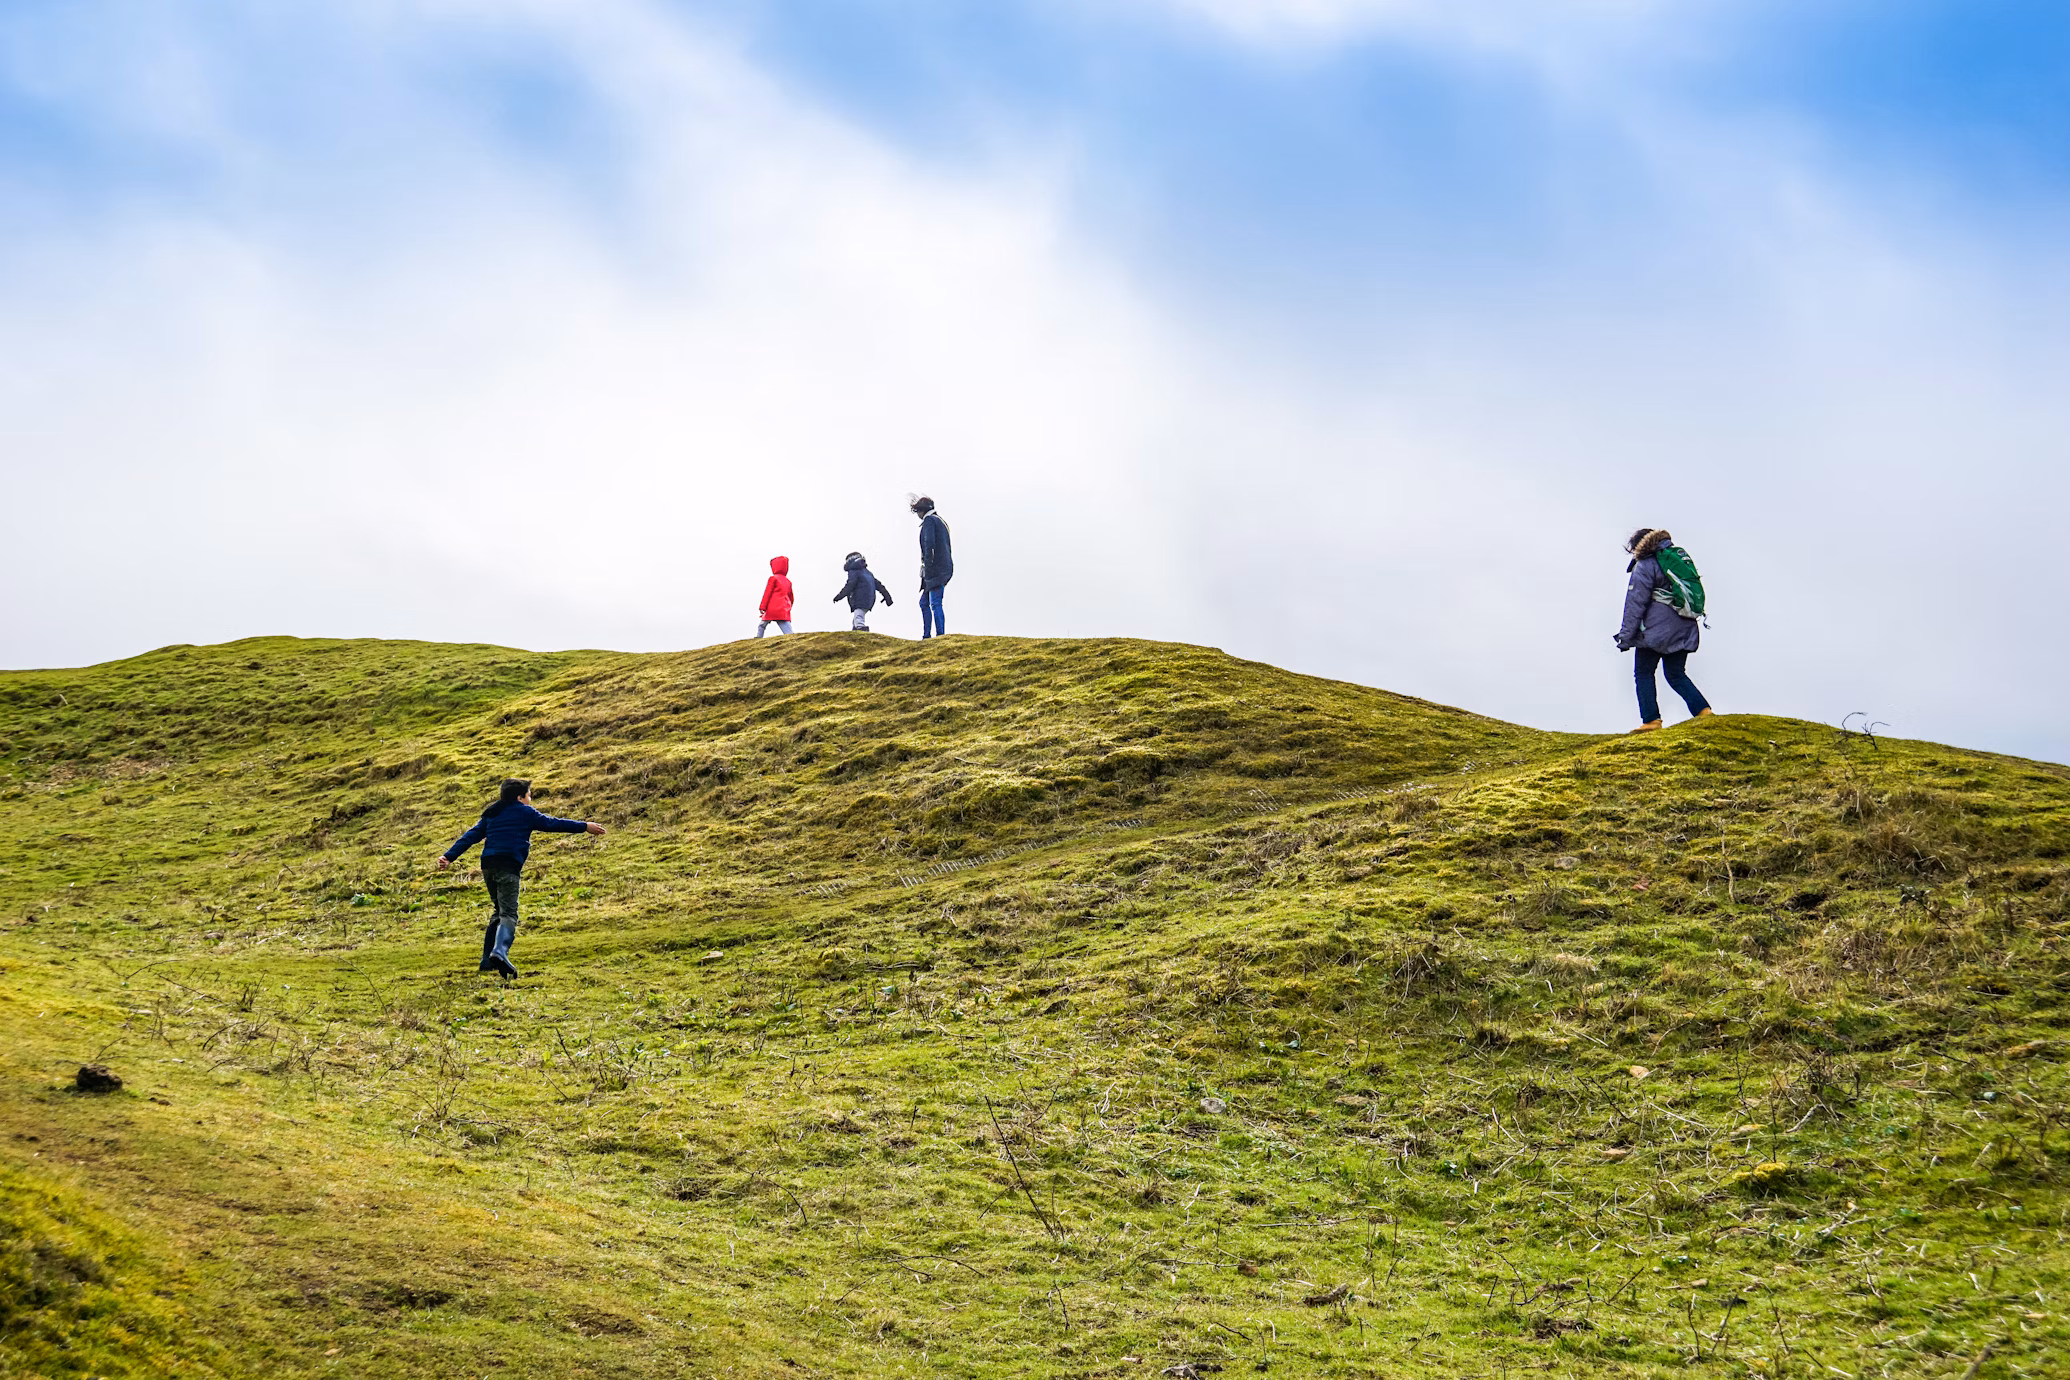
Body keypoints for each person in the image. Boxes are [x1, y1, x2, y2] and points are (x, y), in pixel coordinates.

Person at [434, 779, 605, 979]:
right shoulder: (525, 812)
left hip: (488, 866)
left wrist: (449, 856)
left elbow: (471, 836)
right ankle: (500, 952)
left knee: (498, 911)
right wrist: (584, 826)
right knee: (509, 914)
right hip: (508, 865)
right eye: (529, 795)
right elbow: (552, 823)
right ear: (520, 797)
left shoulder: (492, 812)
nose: (530, 799)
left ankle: (487, 960)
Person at [1615, 527, 1714, 733]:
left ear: (1638, 547)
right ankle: (1704, 712)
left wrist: (1626, 637)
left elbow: (1635, 603)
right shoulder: (1674, 560)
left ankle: (1651, 721)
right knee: (1676, 673)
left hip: (1655, 631)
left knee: (1643, 673)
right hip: (1685, 626)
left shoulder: (1645, 565)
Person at [911, 495, 953, 638]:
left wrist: (927, 567)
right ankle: (929, 635)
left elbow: (929, 545)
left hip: (935, 570)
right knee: (926, 602)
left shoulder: (929, 521)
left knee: (934, 603)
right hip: (944, 568)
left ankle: (936, 635)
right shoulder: (941, 521)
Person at [833, 551, 892, 632]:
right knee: (856, 619)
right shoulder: (868, 573)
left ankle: (862, 630)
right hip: (869, 599)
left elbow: (850, 585)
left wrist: (839, 596)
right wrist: (887, 597)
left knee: (858, 617)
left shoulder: (854, 572)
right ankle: (855, 633)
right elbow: (879, 585)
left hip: (859, 599)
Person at [757, 556, 794, 637]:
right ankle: (792, 638)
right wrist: (789, 608)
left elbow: (767, 594)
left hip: (772, 608)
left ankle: (758, 638)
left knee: (762, 625)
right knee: (786, 627)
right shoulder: (788, 582)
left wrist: (762, 607)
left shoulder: (773, 579)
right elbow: (791, 597)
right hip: (783, 610)